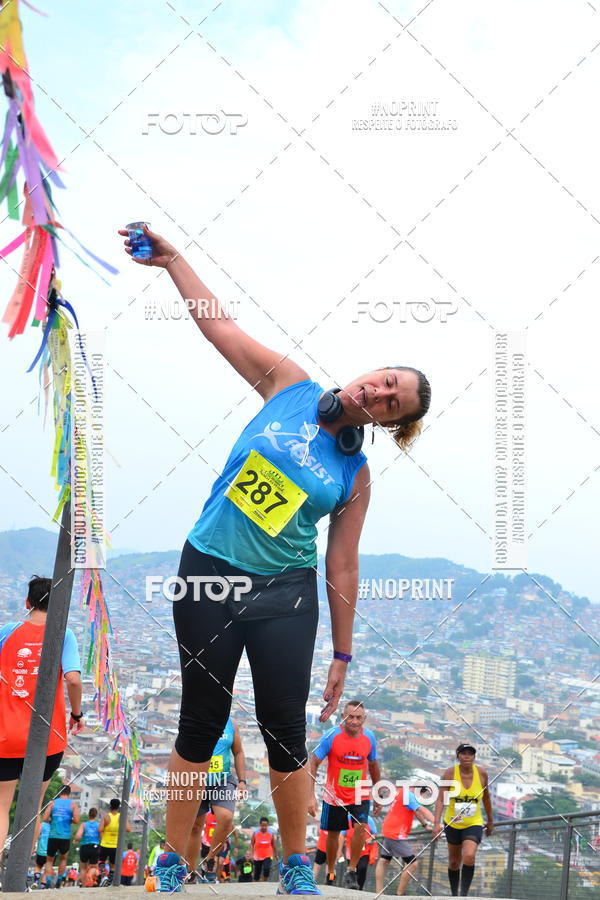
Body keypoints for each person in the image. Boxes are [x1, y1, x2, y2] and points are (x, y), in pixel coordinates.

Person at [119, 224, 431, 895]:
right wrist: (174, 261)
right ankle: (173, 859)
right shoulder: (289, 385)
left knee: (284, 728)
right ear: (371, 371)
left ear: (387, 420)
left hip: (287, 592)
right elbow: (222, 330)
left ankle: (295, 863)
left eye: (391, 401)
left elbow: (342, 565)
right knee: (200, 721)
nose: (378, 392)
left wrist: (343, 656)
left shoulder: (357, 474)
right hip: (209, 570)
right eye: (384, 379)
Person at [0, 577, 84, 858]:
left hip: (6, 733)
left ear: (27, 602)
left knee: (1, 806)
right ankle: (18, 870)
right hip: (46, 735)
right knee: (32, 805)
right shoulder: (63, 634)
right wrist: (76, 713)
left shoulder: (7, 632)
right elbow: (73, 679)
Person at [309, 700, 381, 890]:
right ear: (343, 717)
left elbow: (373, 765)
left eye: (358, 718)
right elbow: (313, 762)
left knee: (361, 828)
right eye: (351, 717)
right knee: (332, 835)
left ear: (364, 719)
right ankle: (331, 871)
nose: (354, 722)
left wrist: (378, 791)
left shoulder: (370, 738)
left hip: (360, 792)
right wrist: (311, 795)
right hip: (334, 795)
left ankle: (351, 870)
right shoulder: (331, 736)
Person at [184, 716, 247, 882]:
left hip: (222, 779)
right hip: (196, 779)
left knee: (226, 817)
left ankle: (210, 858)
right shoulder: (196, 718)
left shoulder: (231, 723)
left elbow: (238, 752)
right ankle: (190, 871)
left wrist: (242, 781)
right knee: (195, 827)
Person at [434, 743, 494, 897]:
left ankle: (463, 895)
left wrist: (490, 821)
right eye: (463, 753)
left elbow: (486, 797)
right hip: (453, 822)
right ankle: (454, 894)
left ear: (474, 757)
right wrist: (436, 823)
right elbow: (441, 799)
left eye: (470, 754)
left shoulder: (481, 773)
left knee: (469, 856)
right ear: (458, 756)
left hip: (473, 823)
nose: (467, 756)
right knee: (454, 862)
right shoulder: (449, 774)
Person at [375, 787, 435, 895]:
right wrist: (437, 824)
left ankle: (379, 892)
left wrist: (425, 825)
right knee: (413, 864)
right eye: (424, 796)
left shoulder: (401, 791)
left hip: (388, 828)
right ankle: (399, 894)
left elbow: (414, 810)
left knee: (384, 860)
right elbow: (423, 810)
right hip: (397, 833)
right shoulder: (410, 796)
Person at [43, 786, 80, 889]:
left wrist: (53, 819)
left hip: (53, 835)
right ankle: (59, 880)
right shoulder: (73, 804)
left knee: (49, 860)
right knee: (63, 859)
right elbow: (77, 820)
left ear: (59, 792)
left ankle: (49, 882)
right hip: (65, 836)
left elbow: (45, 818)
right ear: (69, 793)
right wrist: (68, 820)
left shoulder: (52, 803)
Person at [98, 798, 131, 883]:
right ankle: (109, 880)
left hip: (105, 844)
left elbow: (100, 829)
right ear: (118, 807)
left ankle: (104, 875)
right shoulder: (121, 817)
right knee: (112, 865)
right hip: (116, 845)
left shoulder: (106, 817)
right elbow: (128, 829)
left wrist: (102, 838)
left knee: (101, 862)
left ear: (110, 806)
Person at [343, 816, 378, 891]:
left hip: (364, 851)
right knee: (352, 870)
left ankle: (360, 888)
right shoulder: (347, 819)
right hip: (350, 851)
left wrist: (371, 838)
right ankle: (351, 886)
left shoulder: (369, 819)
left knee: (362, 868)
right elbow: (342, 834)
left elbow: (374, 833)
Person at [74, 807, 100, 887]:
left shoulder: (84, 824)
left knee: (83, 868)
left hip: (84, 846)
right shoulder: (98, 825)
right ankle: (90, 876)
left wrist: (76, 840)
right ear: (96, 815)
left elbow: (78, 836)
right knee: (94, 866)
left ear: (89, 815)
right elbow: (101, 835)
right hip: (95, 847)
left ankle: (84, 885)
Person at [252, 816, 278, 882]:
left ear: (267, 825)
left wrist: (276, 854)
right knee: (257, 872)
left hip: (268, 855)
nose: (264, 827)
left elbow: (273, 845)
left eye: (265, 825)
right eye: (262, 825)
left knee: (267, 868)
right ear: (260, 825)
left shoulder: (271, 833)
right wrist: (252, 854)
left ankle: (264, 882)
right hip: (257, 856)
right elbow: (252, 844)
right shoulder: (255, 833)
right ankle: (256, 882)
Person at [31, 820, 50, 888]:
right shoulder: (56, 826)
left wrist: (33, 847)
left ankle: (35, 882)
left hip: (41, 850)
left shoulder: (42, 824)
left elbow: (36, 836)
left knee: (38, 866)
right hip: (52, 852)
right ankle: (42, 886)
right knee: (47, 868)